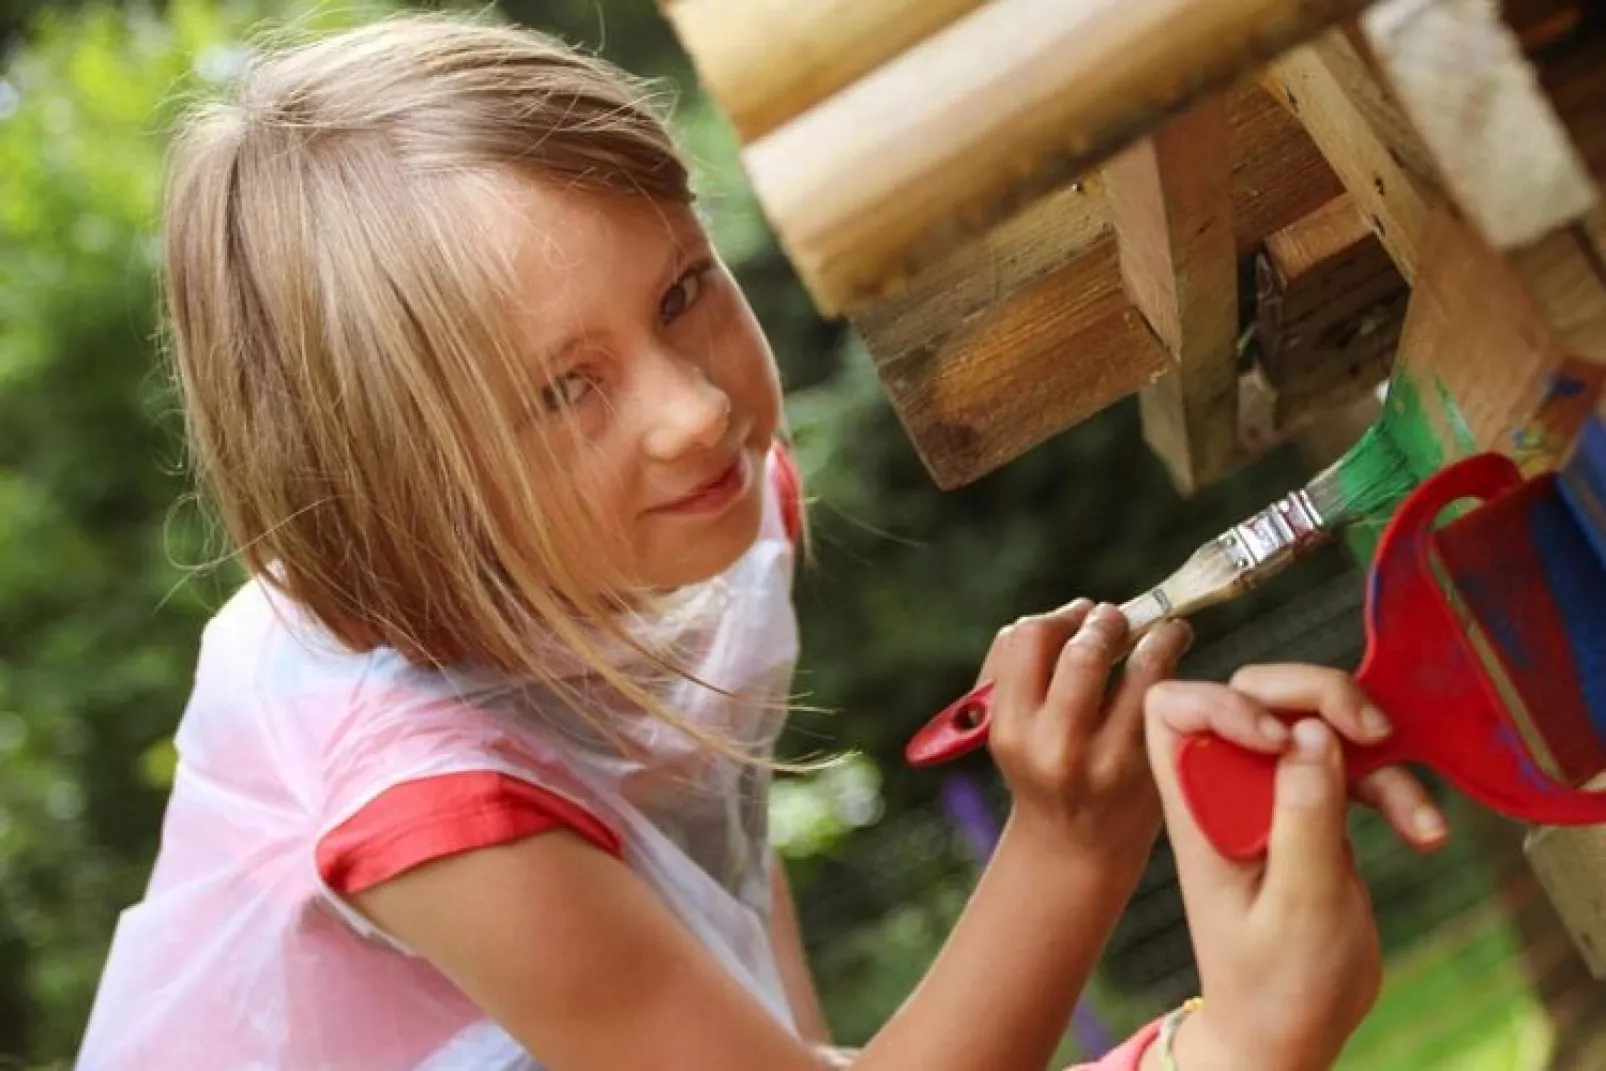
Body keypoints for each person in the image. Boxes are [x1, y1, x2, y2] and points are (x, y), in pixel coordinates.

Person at [77, 14, 1447, 1069]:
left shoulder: (699, 533)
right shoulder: (433, 808)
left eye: (682, 288)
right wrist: (1075, 853)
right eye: (564, 388)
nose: (696, 407)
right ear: (394, 484)